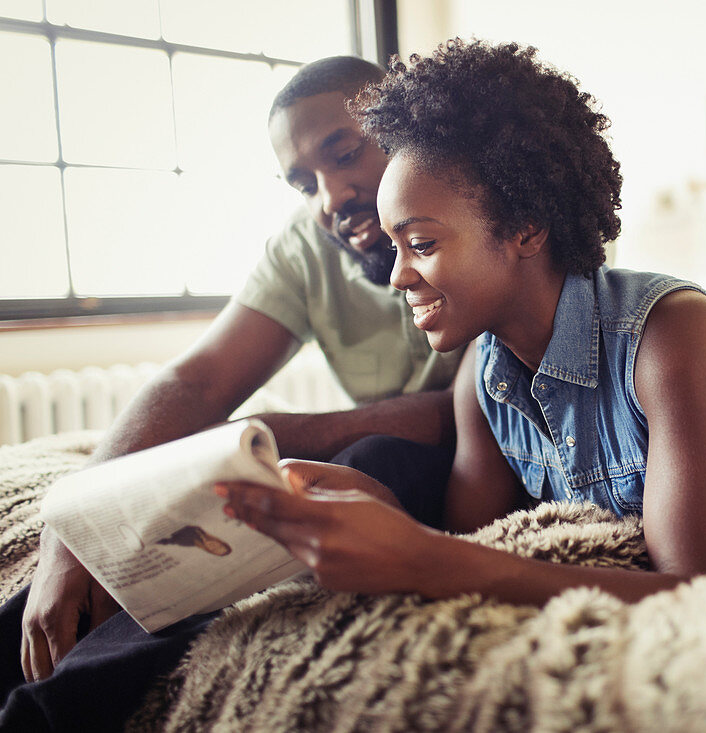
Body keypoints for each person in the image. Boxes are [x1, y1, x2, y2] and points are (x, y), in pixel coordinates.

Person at [216, 39, 706, 608]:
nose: (398, 275)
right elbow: (482, 549)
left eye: (420, 243)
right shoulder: (482, 379)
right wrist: (375, 508)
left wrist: (425, 560)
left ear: (523, 226)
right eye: (393, 248)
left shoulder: (672, 333)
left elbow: (695, 585)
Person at [1, 56, 462, 730]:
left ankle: (46, 712)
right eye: (305, 182)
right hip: (364, 443)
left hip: (451, 457)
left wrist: (282, 429)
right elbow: (194, 381)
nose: (331, 198)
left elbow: (479, 408)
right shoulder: (308, 243)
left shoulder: (476, 210)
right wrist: (71, 531)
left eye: (345, 152)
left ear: (405, 124)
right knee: (196, 479)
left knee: (340, 466)